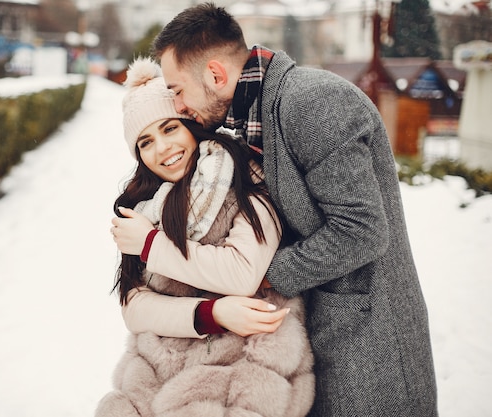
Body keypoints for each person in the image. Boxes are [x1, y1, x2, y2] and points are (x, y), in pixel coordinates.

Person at [119, 3, 439, 417]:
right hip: (317, 334)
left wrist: (256, 275)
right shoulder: (250, 122)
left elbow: (361, 231)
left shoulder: (312, 102)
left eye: (177, 90)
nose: (177, 105)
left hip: (365, 340)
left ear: (215, 75)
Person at [95, 57, 315, 417]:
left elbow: (242, 273)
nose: (163, 149)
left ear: (191, 126)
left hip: (243, 365)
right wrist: (210, 312)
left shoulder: (246, 179)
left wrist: (151, 244)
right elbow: (134, 308)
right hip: (158, 370)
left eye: (169, 129)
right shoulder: (144, 206)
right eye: (145, 142)